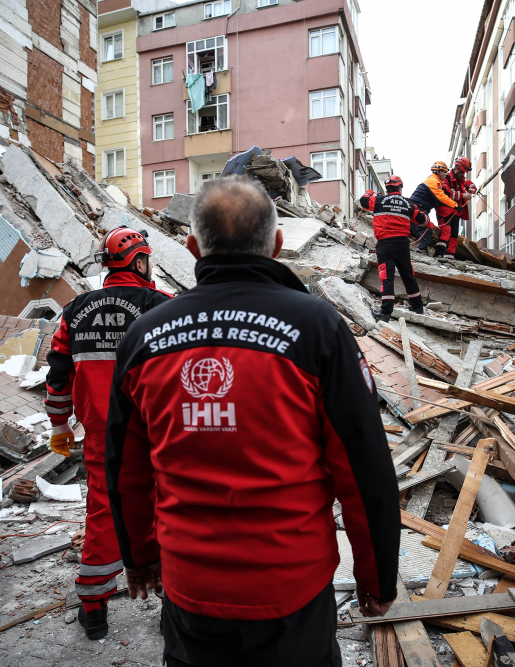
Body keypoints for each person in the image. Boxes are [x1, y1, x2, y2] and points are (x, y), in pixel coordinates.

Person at [105, 175, 400, 666]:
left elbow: (125, 469)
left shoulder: (144, 337)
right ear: (278, 244)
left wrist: (138, 558)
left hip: (191, 589)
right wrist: (377, 579)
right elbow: (364, 467)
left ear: (193, 246)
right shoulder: (316, 328)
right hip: (291, 592)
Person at [45, 227, 172, 640]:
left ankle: (95, 609)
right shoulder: (161, 305)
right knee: (169, 511)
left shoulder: (74, 311)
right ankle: (175, 605)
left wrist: (60, 425)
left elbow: (59, 376)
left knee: (103, 514)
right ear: (139, 262)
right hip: (158, 432)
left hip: (102, 435)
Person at [361, 175, 432, 322]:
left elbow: (363, 201)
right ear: (400, 188)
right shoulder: (408, 203)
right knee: (408, 275)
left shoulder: (379, 200)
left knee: (387, 277)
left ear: (387, 188)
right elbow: (423, 221)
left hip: (385, 244)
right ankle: (417, 306)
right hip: (402, 244)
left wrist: (369, 192)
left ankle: (385, 312)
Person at [410, 160, 461, 256]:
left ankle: (421, 250)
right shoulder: (434, 182)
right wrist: (455, 205)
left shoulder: (432, 180)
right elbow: (442, 197)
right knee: (427, 228)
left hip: (416, 207)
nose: (445, 175)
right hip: (418, 208)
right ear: (440, 172)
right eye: (445, 172)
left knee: (422, 229)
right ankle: (421, 251)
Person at [439, 158, 477, 258]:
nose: (463, 175)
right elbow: (446, 193)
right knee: (446, 231)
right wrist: (462, 195)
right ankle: (439, 253)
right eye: (463, 172)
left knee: (454, 234)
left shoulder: (461, 180)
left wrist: (472, 188)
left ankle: (450, 256)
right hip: (444, 211)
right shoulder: (445, 179)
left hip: (456, 211)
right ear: (457, 168)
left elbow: (469, 184)